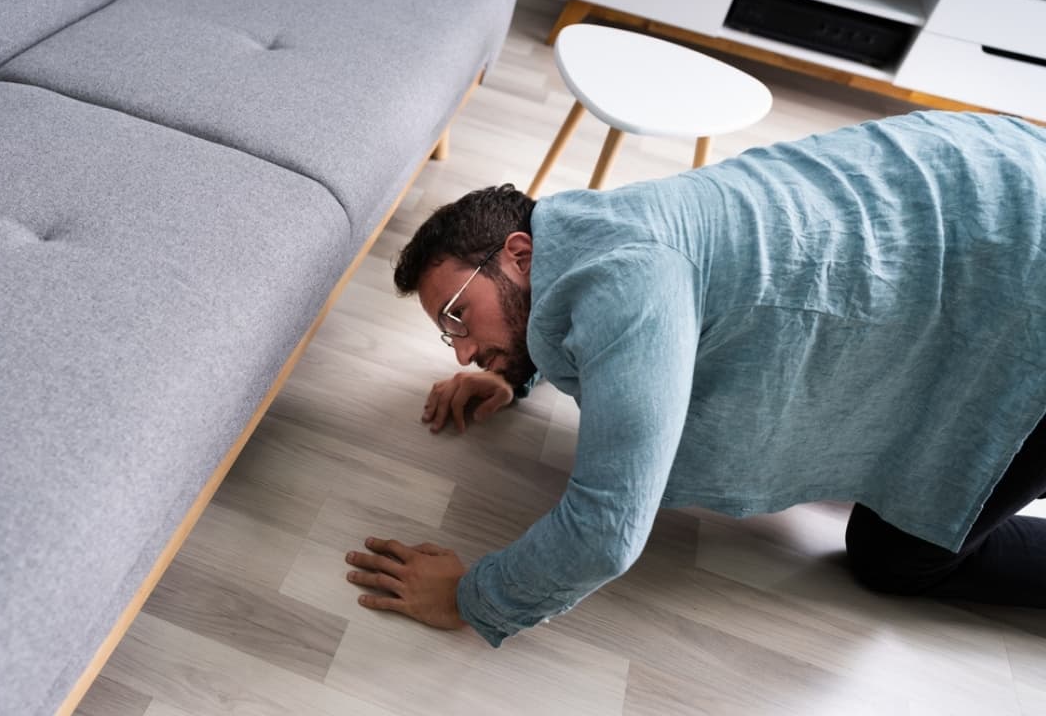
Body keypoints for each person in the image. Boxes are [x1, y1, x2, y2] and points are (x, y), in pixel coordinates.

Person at [343, 110, 1046, 648]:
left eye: (461, 317)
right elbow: (592, 325)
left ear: (519, 255)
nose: (462, 353)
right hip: (977, 186)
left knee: (895, 557)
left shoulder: (629, 285)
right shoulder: (587, 232)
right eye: (451, 333)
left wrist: (470, 597)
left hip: (1025, 270)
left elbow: (605, 530)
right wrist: (515, 371)